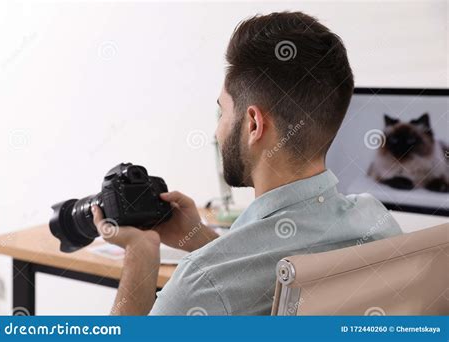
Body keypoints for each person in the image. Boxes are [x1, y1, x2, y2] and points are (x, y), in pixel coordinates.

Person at [91, 11, 402, 315]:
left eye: (223, 111)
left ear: (254, 125)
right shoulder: (376, 224)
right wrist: (205, 242)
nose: (217, 130)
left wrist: (141, 252)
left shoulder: (201, 284)